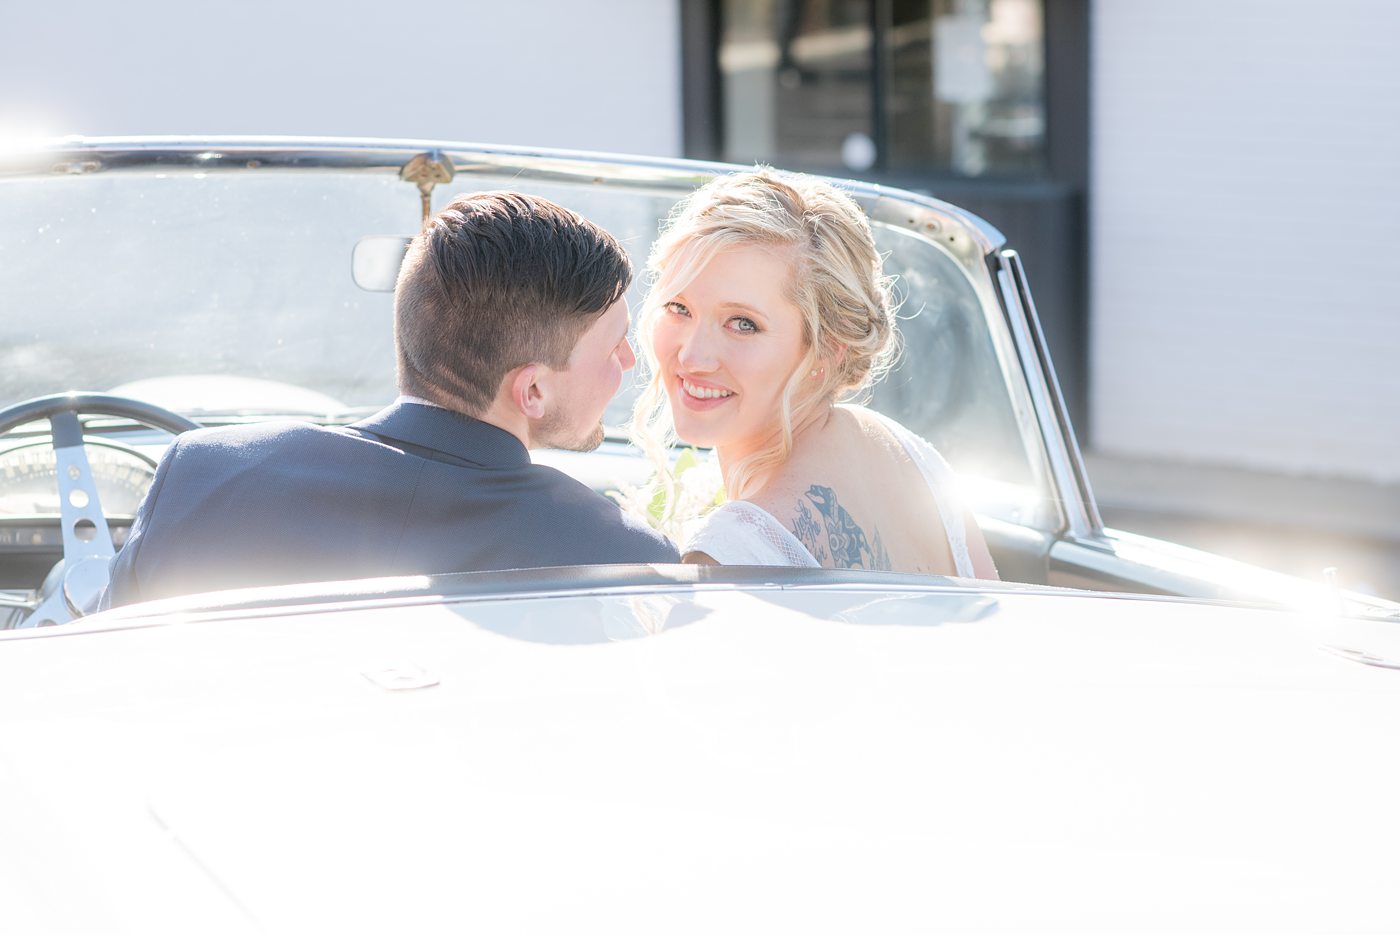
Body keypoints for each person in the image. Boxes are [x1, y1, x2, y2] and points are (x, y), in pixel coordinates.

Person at [103, 191, 679, 607]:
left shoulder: (204, 472)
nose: (629, 361)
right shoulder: (618, 556)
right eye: (613, 345)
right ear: (531, 390)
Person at [631, 169, 997, 578]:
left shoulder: (732, 553)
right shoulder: (919, 462)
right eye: (679, 308)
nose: (693, 356)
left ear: (829, 348)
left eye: (743, 323)